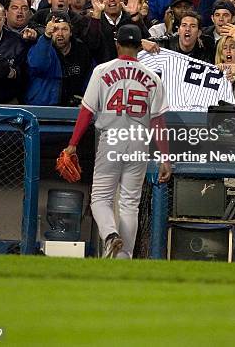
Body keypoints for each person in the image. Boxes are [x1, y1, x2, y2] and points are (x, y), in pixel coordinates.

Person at [63, 23, 171, 259]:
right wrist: (165, 157)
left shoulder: (102, 70)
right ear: (139, 46)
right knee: (130, 204)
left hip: (111, 138)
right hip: (139, 141)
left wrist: (73, 144)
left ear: (117, 44)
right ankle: (124, 258)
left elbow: (86, 111)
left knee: (100, 199)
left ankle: (111, 236)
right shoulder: (153, 77)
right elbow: (158, 122)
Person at [26, 10, 92, 106]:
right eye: (55, 29)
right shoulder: (40, 47)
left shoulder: (81, 50)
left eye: (64, 29)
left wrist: (87, 100)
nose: (60, 34)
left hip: (74, 107)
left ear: (71, 32)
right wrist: (46, 36)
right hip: (43, 107)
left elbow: (90, 78)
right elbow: (38, 65)